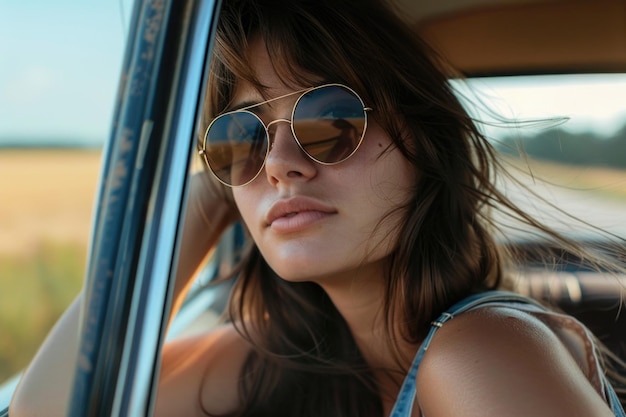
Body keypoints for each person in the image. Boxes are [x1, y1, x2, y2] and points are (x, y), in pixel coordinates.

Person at [10, 0, 626, 416]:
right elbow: (55, 407)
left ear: (425, 145)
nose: (279, 163)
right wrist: (211, 188)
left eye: (329, 119)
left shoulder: (482, 349)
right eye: (242, 136)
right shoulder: (291, 353)